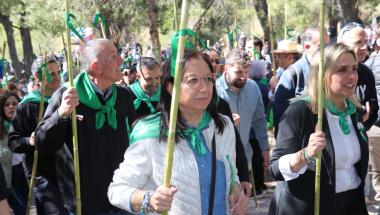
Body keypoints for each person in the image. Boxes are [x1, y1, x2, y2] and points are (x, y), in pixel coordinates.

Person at [108, 49, 248, 214]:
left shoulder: (223, 126)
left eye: (208, 79)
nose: (204, 88)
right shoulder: (150, 133)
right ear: (170, 87)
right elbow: (117, 190)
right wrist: (149, 199)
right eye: (193, 80)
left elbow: (231, 173)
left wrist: (236, 193)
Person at [35, 38, 137, 215]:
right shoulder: (68, 94)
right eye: (114, 57)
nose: (121, 61)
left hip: (123, 195)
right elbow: (42, 142)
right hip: (86, 202)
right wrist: (62, 114)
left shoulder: (123, 96)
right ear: (96, 67)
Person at [269, 44, 369, 214]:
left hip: (351, 205)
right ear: (323, 75)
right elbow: (274, 169)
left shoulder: (355, 111)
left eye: (354, 68)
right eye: (342, 70)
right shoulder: (301, 111)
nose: (352, 76)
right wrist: (306, 154)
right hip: (309, 208)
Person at [8, 55, 73, 214]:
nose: (57, 77)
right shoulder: (27, 106)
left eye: (58, 72)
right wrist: (29, 141)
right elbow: (13, 141)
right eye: (51, 74)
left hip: (68, 171)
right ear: (37, 76)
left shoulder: (67, 100)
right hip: (42, 175)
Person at [216, 48, 269, 195]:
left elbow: (259, 120)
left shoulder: (253, 88)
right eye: (239, 73)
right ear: (226, 69)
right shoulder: (214, 90)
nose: (243, 77)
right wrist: (225, 121)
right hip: (219, 159)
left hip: (244, 157)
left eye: (246, 72)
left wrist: (265, 148)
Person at [273, 27, 329, 137]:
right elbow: (281, 117)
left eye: (327, 46)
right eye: (321, 46)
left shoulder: (331, 71)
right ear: (307, 47)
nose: (326, 50)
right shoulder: (291, 75)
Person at [337, 22, 379, 130]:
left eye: (366, 41)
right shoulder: (328, 72)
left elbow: (373, 111)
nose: (364, 47)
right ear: (342, 44)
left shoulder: (367, 73)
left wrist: (360, 126)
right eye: (358, 42)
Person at [0, 92, 28, 215]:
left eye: (14, 104)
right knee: (21, 209)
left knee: (28, 205)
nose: (11, 107)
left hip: (25, 171)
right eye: (7, 104)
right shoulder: (1, 127)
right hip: (9, 175)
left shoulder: (25, 123)